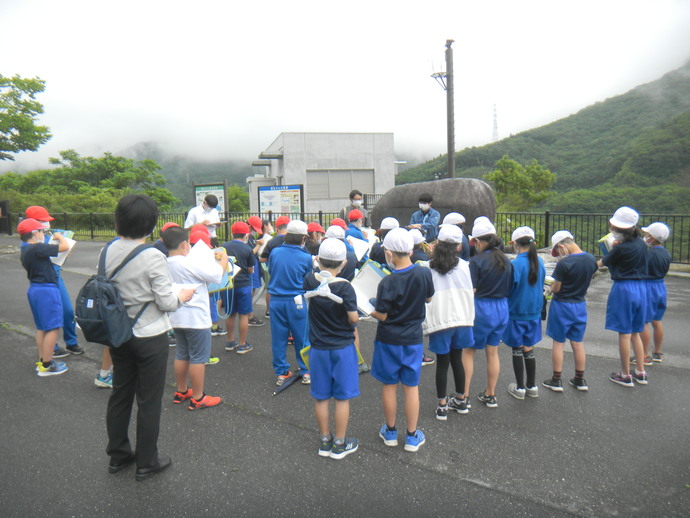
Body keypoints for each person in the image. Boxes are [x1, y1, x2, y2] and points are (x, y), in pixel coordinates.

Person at [104, 194, 195, 482]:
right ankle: (147, 461)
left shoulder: (106, 250)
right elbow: (166, 303)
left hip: (118, 333)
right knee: (149, 400)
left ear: (118, 220)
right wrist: (182, 295)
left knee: (120, 393)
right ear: (151, 225)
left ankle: (118, 455)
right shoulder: (153, 256)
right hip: (149, 336)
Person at [370, 228, 434, 452]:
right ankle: (411, 436)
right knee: (411, 387)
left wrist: (370, 309)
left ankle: (390, 432)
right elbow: (429, 297)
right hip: (413, 339)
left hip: (388, 339)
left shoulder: (387, 282)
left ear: (390, 254)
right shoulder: (423, 273)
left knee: (389, 386)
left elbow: (383, 315)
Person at [304, 238, 360, 459]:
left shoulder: (309, 280)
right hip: (342, 347)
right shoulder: (345, 287)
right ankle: (340, 443)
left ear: (318, 259)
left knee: (321, 397)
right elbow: (353, 319)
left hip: (318, 347)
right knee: (342, 397)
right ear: (344, 263)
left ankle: (324, 440)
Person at [165, 226, 227, 410]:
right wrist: (223, 258)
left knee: (182, 353)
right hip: (196, 318)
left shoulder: (165, 262)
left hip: (176, 315)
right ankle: (198, 397)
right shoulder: (188, 262)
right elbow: (216, 275)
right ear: (184, 244)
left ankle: (182, 390)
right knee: (199, 358)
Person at [422, 225, 474, 420]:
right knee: (457, 359)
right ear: (458, 246)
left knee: (442, 363)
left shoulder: (429, 267)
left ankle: (442, 405)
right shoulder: (465, 266)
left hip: (440, 319)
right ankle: (461, 400)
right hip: (461, 319)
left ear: (438, 244)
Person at [597, 206, 649, 387]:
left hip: (624, 289)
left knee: (624, 334)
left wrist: (612, 250)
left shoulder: (619, 249)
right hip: (641, 288)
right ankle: (640, 372)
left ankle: (625, 375)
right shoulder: (642, 244)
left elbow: (600, 264)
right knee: (636, 332)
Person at [464, 218, 513, 408]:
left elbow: (471, 290)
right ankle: (490, 395)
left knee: (468, 351)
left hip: (482, 308)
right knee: (492, 352)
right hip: (502, 308)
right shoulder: (506, 260)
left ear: (477, 242)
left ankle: (464, 395)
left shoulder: (476, 261)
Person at [543, 231, 599, 392]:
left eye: (558, 251)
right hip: (579, 304)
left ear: (562, 246)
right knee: (577, 342)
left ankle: (556, 379)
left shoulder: (564, 264)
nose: (558, 255)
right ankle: (579, 379)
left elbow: (557, 287)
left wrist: (549, 289)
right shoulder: (591, 259)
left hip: (562, 305)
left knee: (558, 343)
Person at [25, 205, 84, 356]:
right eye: (42, 221)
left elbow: (58, 253)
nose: (46, 225)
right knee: (49, 317)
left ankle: (71, 343)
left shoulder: (44, 236)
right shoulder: (32, 242)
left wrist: (62, 255)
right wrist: (62, 246)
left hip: (54, 275)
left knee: (67, 311)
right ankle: (52, 350)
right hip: (45, 282)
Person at [18, 218, 70, 376]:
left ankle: (42, 361)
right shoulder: (38, 248)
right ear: (34, 233)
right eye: (41, 231)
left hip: (35, 288)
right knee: (53, 327)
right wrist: (60, 236)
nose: (43, 234)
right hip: (47, 290)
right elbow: (65, 246)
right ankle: (47, 365)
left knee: (42, 327)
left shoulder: (25, 249)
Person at [268, 220, 314, 385]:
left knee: (279, 338)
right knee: (302, 337)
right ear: (303, 239)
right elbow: (307, 280)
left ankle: (282, 372)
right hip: (297, 301)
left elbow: (271, 271)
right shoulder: (306, 257)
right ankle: (306, 370)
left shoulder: (275, 252)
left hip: (276, 300)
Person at [504, 227, 545, 400]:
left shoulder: (515, 264)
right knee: (529, 347)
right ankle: (532, 386)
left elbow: (509, 288)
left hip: (516, 311)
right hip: (533, 312)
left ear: (514, 244)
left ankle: (520, 387)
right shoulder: (539, 261)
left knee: (517, 348)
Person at [221, 222, 256, 355]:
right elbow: (251, 269)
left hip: (228, 285)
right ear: (246, 235)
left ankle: (230, 341)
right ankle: (242, 344)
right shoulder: (247, 249)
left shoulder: (223, 247)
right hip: (244, 285)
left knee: (230, 313)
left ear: (232, 233)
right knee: (243, 315)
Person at [640, 222, 671, 364]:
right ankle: (657, 352)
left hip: (648, 287)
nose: (645, 237)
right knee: (657, 321)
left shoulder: (648, 254)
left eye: (647, 235)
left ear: (652, 238)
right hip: (660, 286)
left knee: (643, 322)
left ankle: (644, 355)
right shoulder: (666, 253)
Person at [260, 215, 291, 319]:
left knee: (270, 289)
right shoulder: (294, 240)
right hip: (290, 270)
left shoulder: (272, 242)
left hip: (274, 270)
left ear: (277, 229)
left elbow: (262, 259)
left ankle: (269, 311)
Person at [246, 215, 266, 327]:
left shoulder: (249, 237)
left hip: (253, 266)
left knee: (252, 290)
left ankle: (250, 314)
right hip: (250, 267)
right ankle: (249, 316)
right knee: (250, 291)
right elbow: (249, 254)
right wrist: (259, 246)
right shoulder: (246, 237)